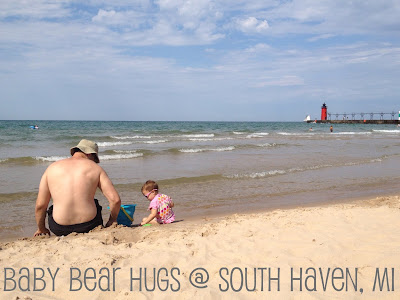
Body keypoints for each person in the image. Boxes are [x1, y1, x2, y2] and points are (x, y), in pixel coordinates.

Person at [34, 139, 121, 237]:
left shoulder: (51, 168)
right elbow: (115, 200)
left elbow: (40, 205)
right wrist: (112, 220)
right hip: (90, 225)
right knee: (93, 202)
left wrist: (41, 228)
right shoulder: (95, 168)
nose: (94, 162)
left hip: (59, 228)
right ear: (89, 154)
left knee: (54, 206)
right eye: (95, 159)